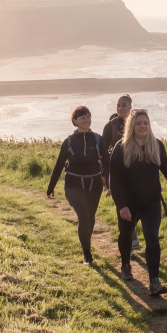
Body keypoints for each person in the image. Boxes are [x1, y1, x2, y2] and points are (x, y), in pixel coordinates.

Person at [109, 108, 167, 295]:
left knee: (152, 239)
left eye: (145, 123)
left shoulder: (156, 145)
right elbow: (115, 180)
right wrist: (122, 205)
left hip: (152, 202)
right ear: (132, 126)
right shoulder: (121, 148)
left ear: (149, 125)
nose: (142, 126)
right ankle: (125, 265)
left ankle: (154, 281)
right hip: (129, 203)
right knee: (125, 235)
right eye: (138, 123)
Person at [46, 105, 107, 266]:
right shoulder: (69, 142)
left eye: (88, 116)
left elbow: (106, 161)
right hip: (74, 186)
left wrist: (107, 178)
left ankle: (86, 242)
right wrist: (50, 187)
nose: (87, 120)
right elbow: (59, 165)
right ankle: (87, 254)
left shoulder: (98, 139)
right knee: (84, 217)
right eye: (82, 117)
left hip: (94, 185)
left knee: (91, 218)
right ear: (75, 121)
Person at [101, 93, 139, 248]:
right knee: (122, 204)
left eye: (124, 105)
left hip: (135, 171)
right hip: (116, 171)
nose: (120, 108)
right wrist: (105, 175)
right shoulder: (110, 126)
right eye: (118, 105)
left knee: (135, 204)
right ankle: (128, 239)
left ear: (130, 107)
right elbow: (102, 152)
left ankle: (131, 233)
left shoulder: (138, 123)